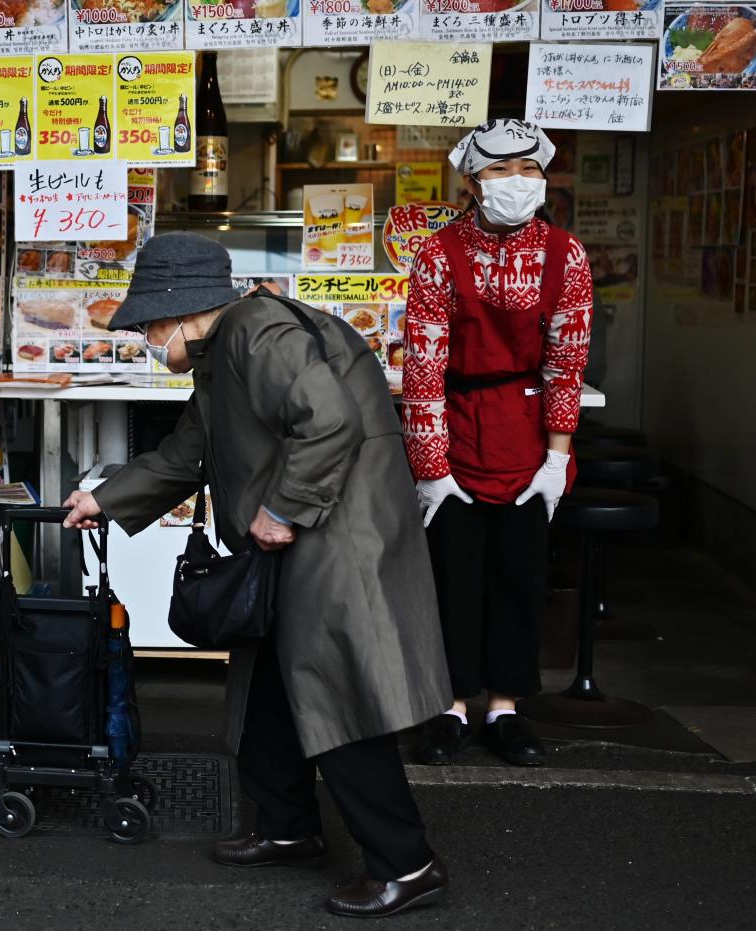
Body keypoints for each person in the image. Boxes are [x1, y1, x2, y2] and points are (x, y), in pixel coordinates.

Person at [63, 232, 452, 919]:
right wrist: (105, 498)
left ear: (184, 309)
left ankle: (407, 862)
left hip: (337, 535)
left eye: (152, 323)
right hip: (315, 534)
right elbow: (187, 452)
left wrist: (281, 508)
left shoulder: (258, 333)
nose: (150, 338)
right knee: (274, 676)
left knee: (342, 693)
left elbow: (327, 420)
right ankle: (288, 824)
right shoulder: (227, 347)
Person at [402, 120, 594, 767]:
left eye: (527, 169)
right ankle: (451, 705)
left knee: (518, 573)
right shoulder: (437, 254)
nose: (516, 182)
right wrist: (431, 468)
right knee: (452, 576)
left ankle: (505, 708)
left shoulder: (566, 256)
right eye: (499, 170)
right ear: (471, 181)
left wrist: (557, 459)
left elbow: (566, 363)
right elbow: (422, 370)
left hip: (527, 431)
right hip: (454, 427)